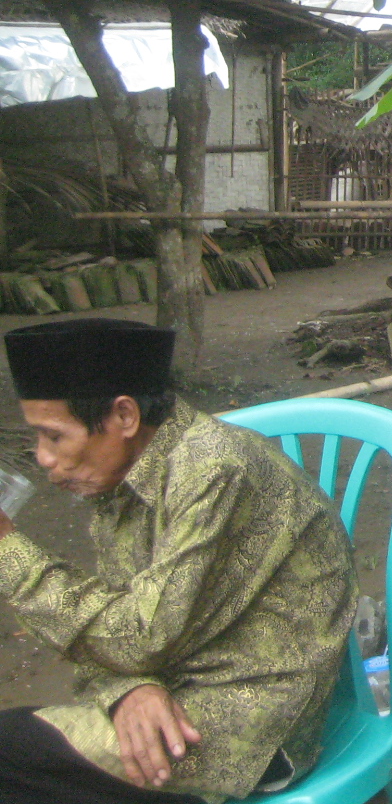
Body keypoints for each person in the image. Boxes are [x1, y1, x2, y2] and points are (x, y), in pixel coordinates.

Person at [0, 318, 358, 802]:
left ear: (124, 416)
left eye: (55, 437)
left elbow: (139, 636)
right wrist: (129, 689)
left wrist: (7, 549)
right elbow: (124, 623)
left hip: (253, 724)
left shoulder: (214, 472)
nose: (43, 458)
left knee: (13, 752)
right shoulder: (128, 476)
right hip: (174, 683)